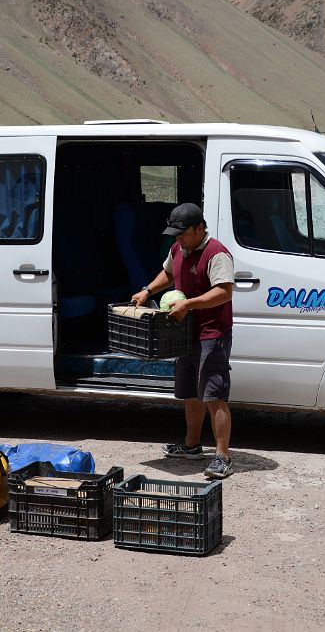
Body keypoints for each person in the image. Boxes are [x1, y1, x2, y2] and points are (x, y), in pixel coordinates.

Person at [131, 203, 235, 479]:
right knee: (190, 392)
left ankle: (222, 457)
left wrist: (188, 304)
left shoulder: (217, 253)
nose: (177, 238)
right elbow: (169, 273)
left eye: (183, 233)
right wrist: (146, 290)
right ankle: (191, 446)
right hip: (185, 333)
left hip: (212, 333)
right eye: (175, 233)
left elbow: (224, 292)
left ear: (200, 228)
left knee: (214, 396)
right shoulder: (178, 248)